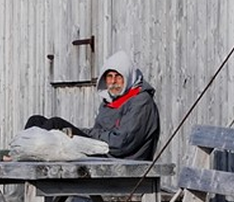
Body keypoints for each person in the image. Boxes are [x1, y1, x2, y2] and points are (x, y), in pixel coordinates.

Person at [23, 51, 161, 161]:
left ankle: (26, 160)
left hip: (122, 160)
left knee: (55, 124)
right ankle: (22, 154)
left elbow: (121, 144)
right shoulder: (111, 101)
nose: (113, 82)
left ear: (128, 77)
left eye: (119, 77)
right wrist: (82, 134)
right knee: (36, 121)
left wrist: (83, 136)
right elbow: (99, 132)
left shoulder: (141, 102)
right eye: (109, 77)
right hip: (102, 151)